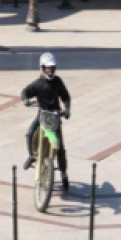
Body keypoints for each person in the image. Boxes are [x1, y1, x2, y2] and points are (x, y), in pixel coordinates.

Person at [21, 52, 71, 191]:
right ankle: (31, 156)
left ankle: (64, 174)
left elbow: (65, 96)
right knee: (29, 133)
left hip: (55, 115)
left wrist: (66, 109)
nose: (50, 71)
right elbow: (25, 91)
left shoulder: (58, 82)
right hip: (42, 114)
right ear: (42, 68)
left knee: (60, 147)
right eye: (47, 68)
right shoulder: (38, 84)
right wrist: (25, 100)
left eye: (52, 68)